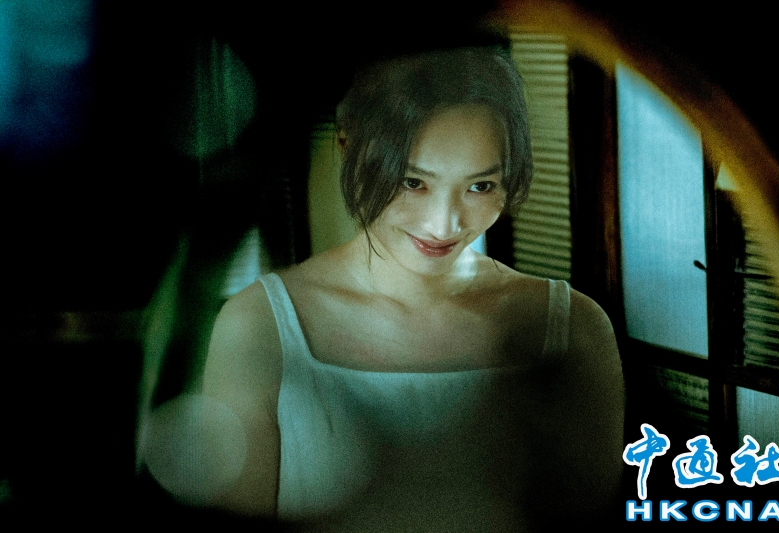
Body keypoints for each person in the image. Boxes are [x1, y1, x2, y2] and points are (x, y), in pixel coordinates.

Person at [202, 44, 624, 530]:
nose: (444, 224)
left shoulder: (574, 329)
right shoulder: (258, 325)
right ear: (347, 148)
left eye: (481, 186)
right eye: (411, 181)